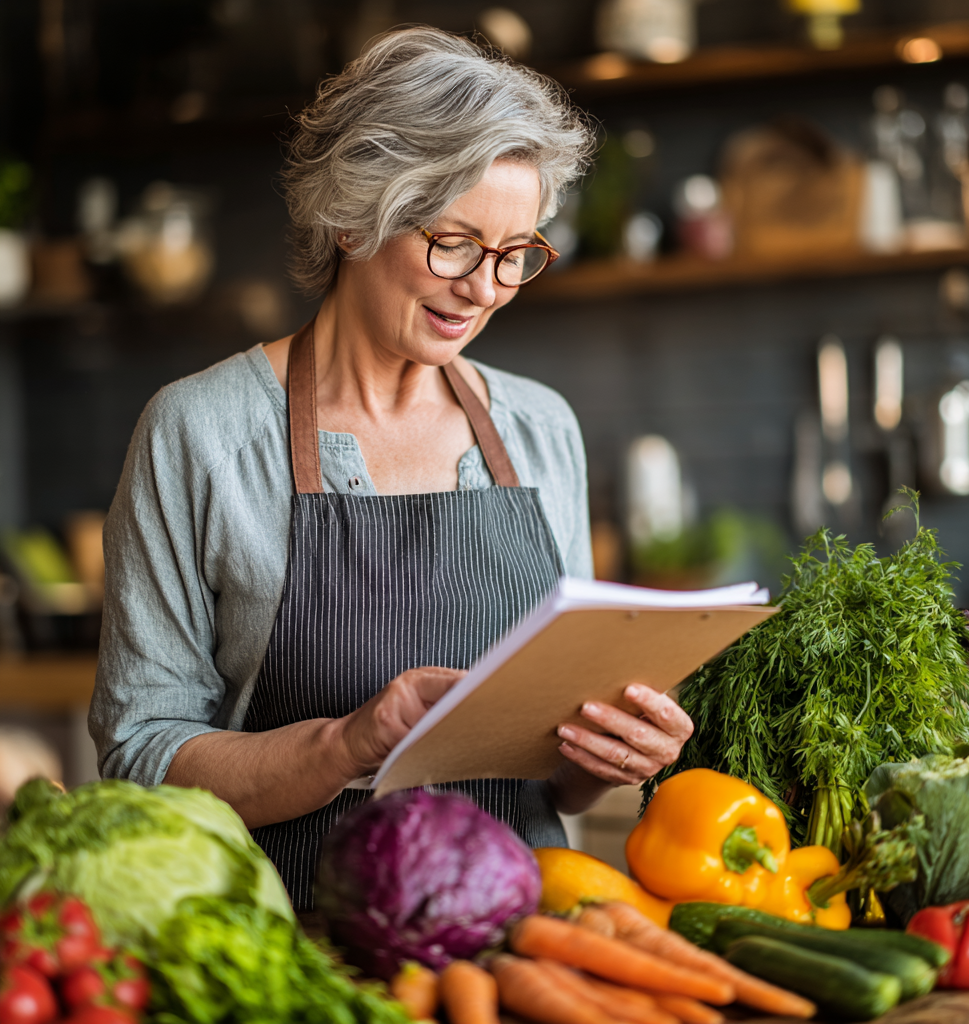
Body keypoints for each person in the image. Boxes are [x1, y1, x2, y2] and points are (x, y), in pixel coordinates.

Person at [90, 27, 693, 909]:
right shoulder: (201, 433)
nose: (484, 287)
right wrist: (348, 744)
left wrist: (606, 753)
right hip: (289, 957)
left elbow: (554, 787)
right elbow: (142, 760)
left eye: (516, 253)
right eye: (452, 242)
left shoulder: (539, 427)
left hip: (519, 954)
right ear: (351, 214)